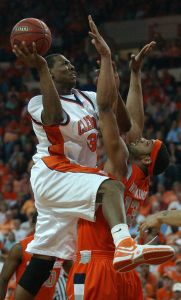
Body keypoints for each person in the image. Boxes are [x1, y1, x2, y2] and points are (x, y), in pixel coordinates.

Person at [12, 15, 158, 300]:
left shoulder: (88, 97)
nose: (71, 66)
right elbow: (54, 119)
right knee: (111, 186)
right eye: (63, 64)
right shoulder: (37, 102)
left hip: (74, 180)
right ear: (50, 74)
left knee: (43, 259)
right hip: (54, 174)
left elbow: (122, 121)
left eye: (70, 62)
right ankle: (125, 243)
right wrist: (41, 68)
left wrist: (108, 65)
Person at [66, 16, 175, 300]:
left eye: (147, 142)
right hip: (126, 270)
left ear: (147, 159)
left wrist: (106, 59)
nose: (141, 138)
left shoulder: (119, 163)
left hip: (97, 263)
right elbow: (134, 124)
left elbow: (105, 109)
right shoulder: (142, 180)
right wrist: (135, 74)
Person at [0, 212, 62, 300]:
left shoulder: (61, 248)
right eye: (43, 223)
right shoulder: (20, 248)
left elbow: (73, 271)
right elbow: (3, 279)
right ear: (34, 225)